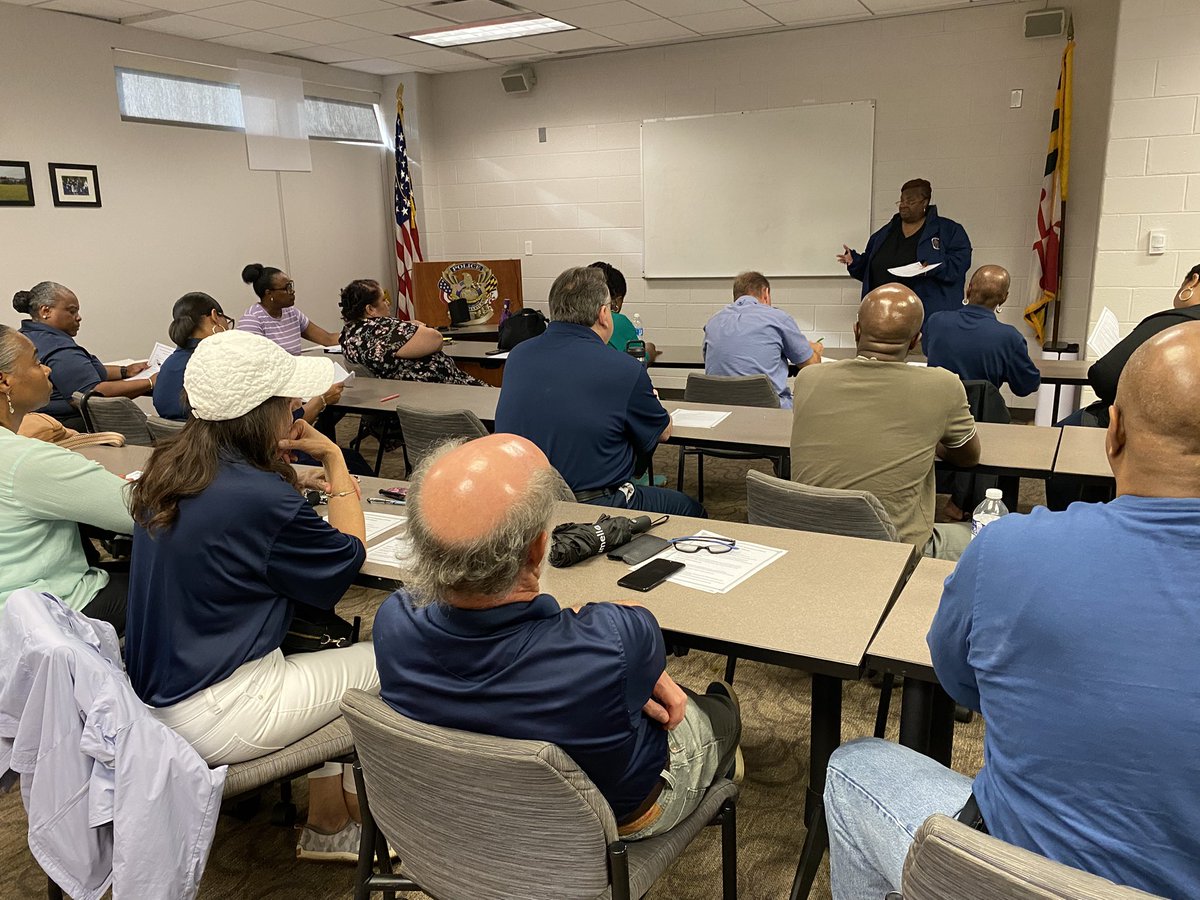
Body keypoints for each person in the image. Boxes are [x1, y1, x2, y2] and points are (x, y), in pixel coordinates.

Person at [823, 321, 1200, 900]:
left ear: (1113, 431)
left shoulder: (1008, 548)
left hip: (1003, 875)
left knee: (855, 766)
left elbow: (961, 682)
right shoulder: (958, 378)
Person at [374, 434, 741, 838]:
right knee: (719, 711)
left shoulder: (392, 622)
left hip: (462, 816)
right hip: (615, 817)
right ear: (537, 550)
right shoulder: (610, 642)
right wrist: (591, 621)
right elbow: (636, 623)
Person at [125, 329, 377, 861]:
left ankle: (329, 817)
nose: (296, 411)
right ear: (264, 414)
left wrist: (286, 481)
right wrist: (334, 460)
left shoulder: (168, 467)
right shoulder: (259, 498)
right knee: (388, 659)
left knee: (327, 649)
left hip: (156, 698)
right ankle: (344, 823)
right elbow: (349, 553)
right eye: (288, 404)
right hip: (220, 709)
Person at [495, 266, 705, 517]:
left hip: (526, 505)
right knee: (692, 510)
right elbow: (663, 432)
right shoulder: (624, 368)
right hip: (596, 507)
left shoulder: (518, 355)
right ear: (604, 314)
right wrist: (653, 404)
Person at [790, 284, 978, 560]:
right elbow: (969, 458)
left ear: (856, 331)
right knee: (993, 531)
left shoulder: (808, 378)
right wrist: (932, 440)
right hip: (894, 551)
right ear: (916, 341)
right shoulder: (944, 385)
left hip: (809, 538)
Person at [0, 324, 132, 632]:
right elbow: (138, 511)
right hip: (46, 613)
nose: (46, 369)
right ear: (4, 381)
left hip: (12, 616)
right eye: (35, 361)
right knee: (179, 587)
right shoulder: (26, 459)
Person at [154, 292, 348, 439]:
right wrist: (321, 400)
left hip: (195, 464)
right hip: (239, 458)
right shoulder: (226, 366)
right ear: (215, 316)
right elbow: (273, 434)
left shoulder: (167, 366)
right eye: (226, 320)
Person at [1071, 262, 1200, 429]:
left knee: (1050, 440)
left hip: (1142, 431)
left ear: (1193, 281)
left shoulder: (1172, 323)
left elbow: (1105, 378)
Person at [13, 282, 153, 430]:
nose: (78, 318)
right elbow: (92, 395)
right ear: (46, 311)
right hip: (72, 426)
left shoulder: (27, 336)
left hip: (37, 421)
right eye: (72, 311)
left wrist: (125, 371)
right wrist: (150, 382)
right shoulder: (58, 348)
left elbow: (81, 371)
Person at [837, 179, 972, 322]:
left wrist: (931, 266)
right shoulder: (883, 234)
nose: (903, 206)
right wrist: (855, 262)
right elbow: (871, 271)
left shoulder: (949, 231)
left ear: (925, 202)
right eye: (901, 201)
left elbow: (959, 265)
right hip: (884, 317)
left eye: (910, 201)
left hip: (927, 319)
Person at [703, 271, 822, 408]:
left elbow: (709, 359)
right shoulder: (778, 318)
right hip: (768, 411)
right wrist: (815, 350)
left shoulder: (713, 321)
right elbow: (811, 366)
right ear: (765, 293)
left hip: (718, 411)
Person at [922, 265, 1041, 397]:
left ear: (969, 289)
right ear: (1003, 298)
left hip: (935, 410)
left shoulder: (936, 321)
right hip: (979, 415)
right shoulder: (1010, 338)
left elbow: (927, 351)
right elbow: (1026, 386)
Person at [338, 279, 484, 385]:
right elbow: (436, 339)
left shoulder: (349, 333)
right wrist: (420, 326)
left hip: (396, 394)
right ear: (370, 310)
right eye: (383, 300)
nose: (388, 303)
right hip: (436, 391)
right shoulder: (383, 328)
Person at [237, 263, 340, 355]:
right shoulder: (252, 320)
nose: (292, 291)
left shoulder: (292, 313)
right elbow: (256, 362)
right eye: (287, 288)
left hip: (296, 372)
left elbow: (327, 339)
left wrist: (353, 337)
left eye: (291, 286)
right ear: (269, 293)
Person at [589, 261, 642, 353]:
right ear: (616, 301)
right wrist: (650, 351)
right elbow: (638, 359)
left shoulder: (568, 319)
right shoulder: (618, 321)